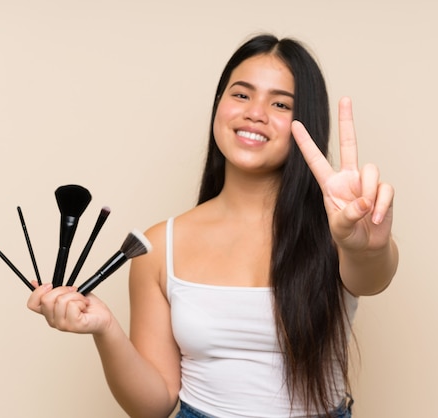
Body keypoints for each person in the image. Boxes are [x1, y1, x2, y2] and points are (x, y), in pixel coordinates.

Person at [27, 33, 398, 418]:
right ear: (218, 105)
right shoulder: (159, 245)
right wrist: (104, 328)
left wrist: (363, 245)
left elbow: (373, 275)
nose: (255, 112)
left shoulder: (341, 228)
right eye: (241, 94)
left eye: (280, 103)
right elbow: (153, 406)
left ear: (306, 123)